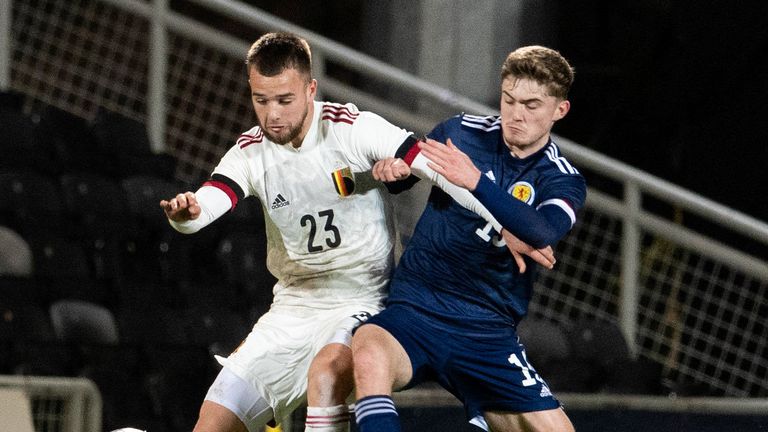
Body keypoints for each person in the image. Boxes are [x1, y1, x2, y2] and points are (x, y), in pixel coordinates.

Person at [159, 32, 553, 432]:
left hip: (363, 297)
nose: (272, 114)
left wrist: (503, 220)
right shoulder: (249, 151)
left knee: (327, 374)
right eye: (261, 100)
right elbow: (207, 204)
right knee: (212, 425)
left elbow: (435, 170)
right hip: (293, 307)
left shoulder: (353, 128)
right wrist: (185, 213)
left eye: (284, 100)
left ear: (311, 89)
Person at [351, 45, 586, 432]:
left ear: (559, 110)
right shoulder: (461, 132)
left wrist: (475, 182)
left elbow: (543, 230)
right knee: (368, 350)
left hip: (485, 331)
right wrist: (392, 171)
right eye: (509, 100)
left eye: (532, 105)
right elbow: (409, 174)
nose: (516, 114)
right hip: (417, 308)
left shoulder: (561, 177)